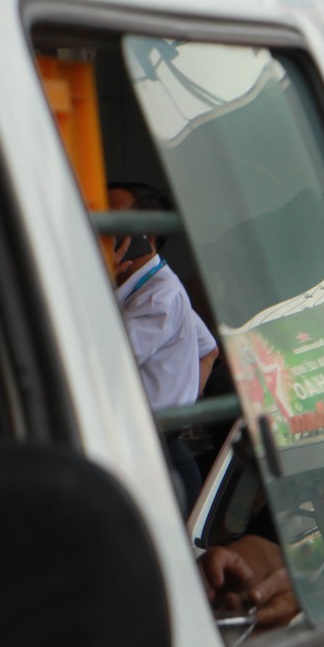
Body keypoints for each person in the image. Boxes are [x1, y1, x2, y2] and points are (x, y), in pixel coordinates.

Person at [105, 182, 218, 511]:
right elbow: (207, 350)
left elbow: (101, 362)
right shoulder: (153, 283)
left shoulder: (159, 296)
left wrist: (174, 418)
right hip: (154, 448)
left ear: (146, 236)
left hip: (154, 455)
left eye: (111, 217)